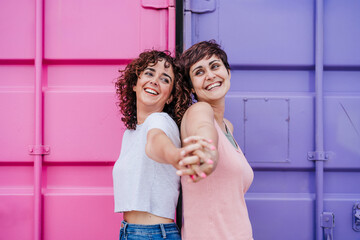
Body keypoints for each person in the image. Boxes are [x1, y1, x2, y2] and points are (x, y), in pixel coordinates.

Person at [112, 50, 213, 240]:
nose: (155, 81)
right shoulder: (131, 133)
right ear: (135, 84)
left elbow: (156, 143)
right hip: (130, 231)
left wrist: (175, 156)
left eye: (165, 79)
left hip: (153, 234)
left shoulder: (159, 121)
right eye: (150, 73)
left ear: (170, 97)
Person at [179, 40, 254, 240]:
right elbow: (203, 131)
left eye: (215, 66)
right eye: (199, 72)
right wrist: (206, 152)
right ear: (192, 88)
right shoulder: (199, 110)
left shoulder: (228, 127)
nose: (210, 75)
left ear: (228, 73)